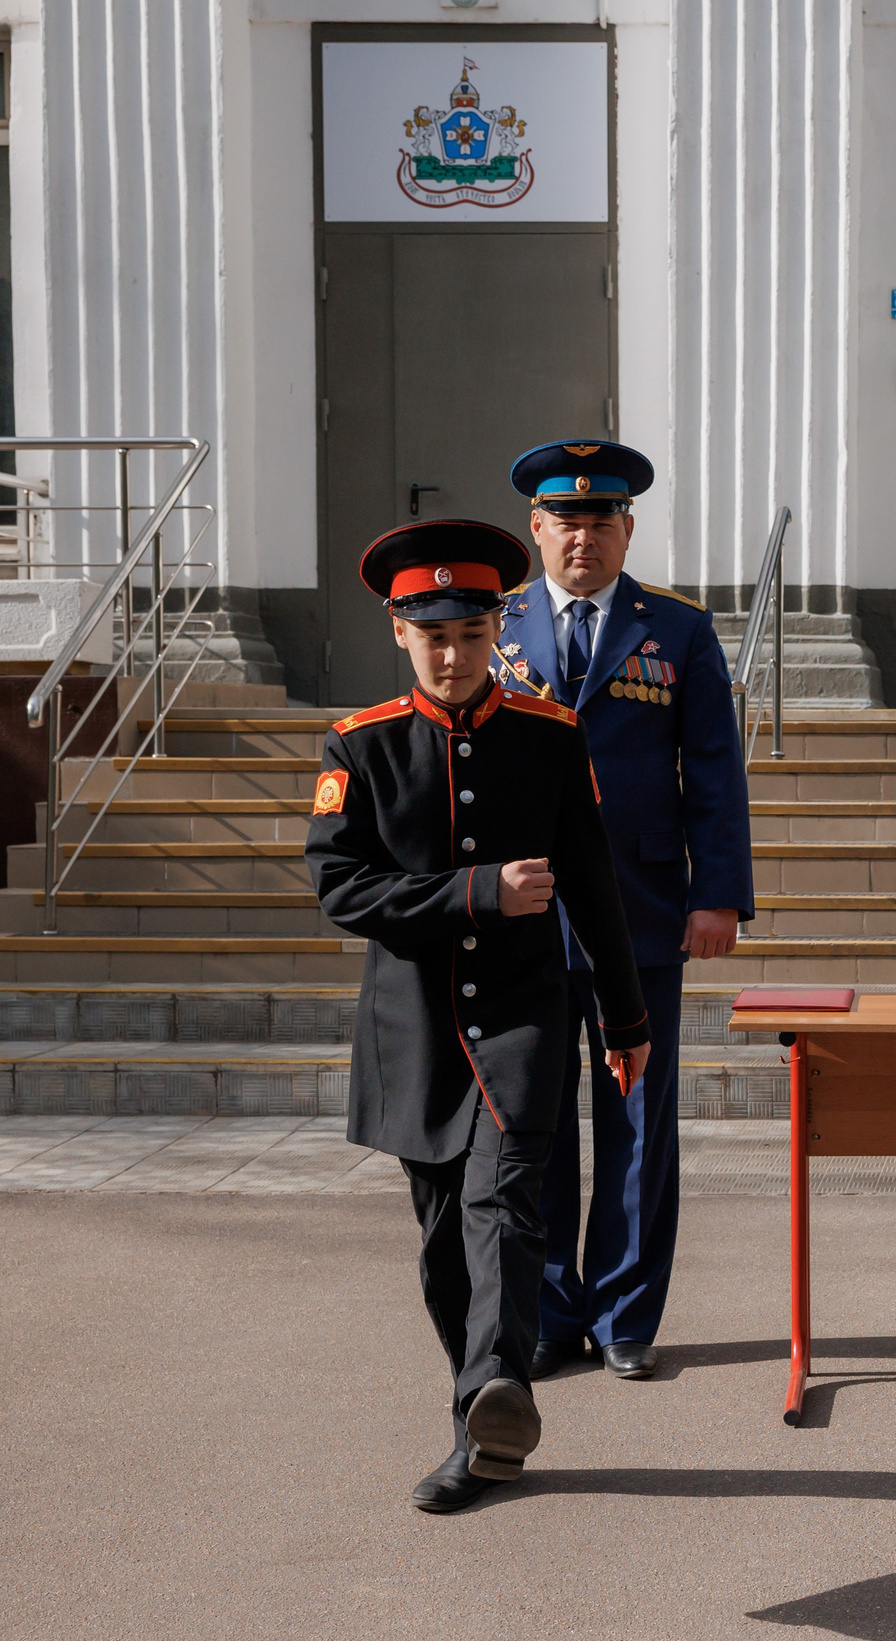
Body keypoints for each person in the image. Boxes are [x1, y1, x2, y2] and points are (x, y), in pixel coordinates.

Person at [307, 518, 652, 1514]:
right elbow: (341, 889)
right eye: (433, 637)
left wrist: (624, 1023)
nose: (452, 655)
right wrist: (476, 893)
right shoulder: (359, 745)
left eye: (469, 632)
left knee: (505, 1204)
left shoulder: (551, 736)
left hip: (520, 1018)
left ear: (496, 624)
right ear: (399, 635)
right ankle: (480, 1414)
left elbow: (594, 888)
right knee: (441, 1242)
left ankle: (495, 1403)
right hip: (412, 1031)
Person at [496, 441, 755, 1382]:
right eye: (566, 521)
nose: (584, 536)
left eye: (602, 520)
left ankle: (626, 1313)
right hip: (525, 908)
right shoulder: (497, 624)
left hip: (641, 907)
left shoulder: (677, 631)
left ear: (627, 530)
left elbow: (714, 774)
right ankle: (554, 1309)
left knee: (637, 1114)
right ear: (538, 530)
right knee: (539, 1118)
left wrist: (718, 893)